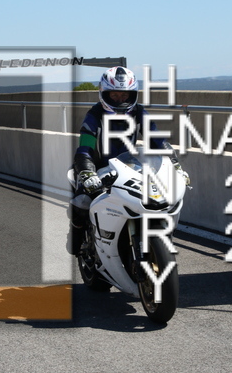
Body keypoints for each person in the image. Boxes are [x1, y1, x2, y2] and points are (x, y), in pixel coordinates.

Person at [66, 66, 189, 255]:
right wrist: (87, 172)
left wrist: (175, 165)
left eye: (125, 95)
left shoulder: (139, 112)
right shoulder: (94, 115)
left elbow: (158, 141)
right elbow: (84, 149)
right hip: (97, 169)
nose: (120, 100)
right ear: (104, 94)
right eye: (114, 95)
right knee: (82, 202)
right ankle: (78, 241)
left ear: (133, 95)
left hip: (129, 167)